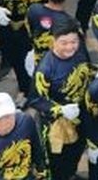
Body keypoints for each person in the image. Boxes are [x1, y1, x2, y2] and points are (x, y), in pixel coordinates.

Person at [29, 18, 92, 180]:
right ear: (53, 41)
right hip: (56, 125)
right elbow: (36, 100)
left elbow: (87, 70)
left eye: (74, 42)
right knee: (56, 162)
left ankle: (70, 174)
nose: (70, 47)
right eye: (64, 43)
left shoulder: (80, 52)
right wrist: (60, 110)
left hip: (80, 115)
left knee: (76, 151)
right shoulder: (45, 69)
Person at [0, 93, 47, 180]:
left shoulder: (26, 122)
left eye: (7, 116)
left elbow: (37, 152)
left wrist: (41, 175)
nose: (4, 123)